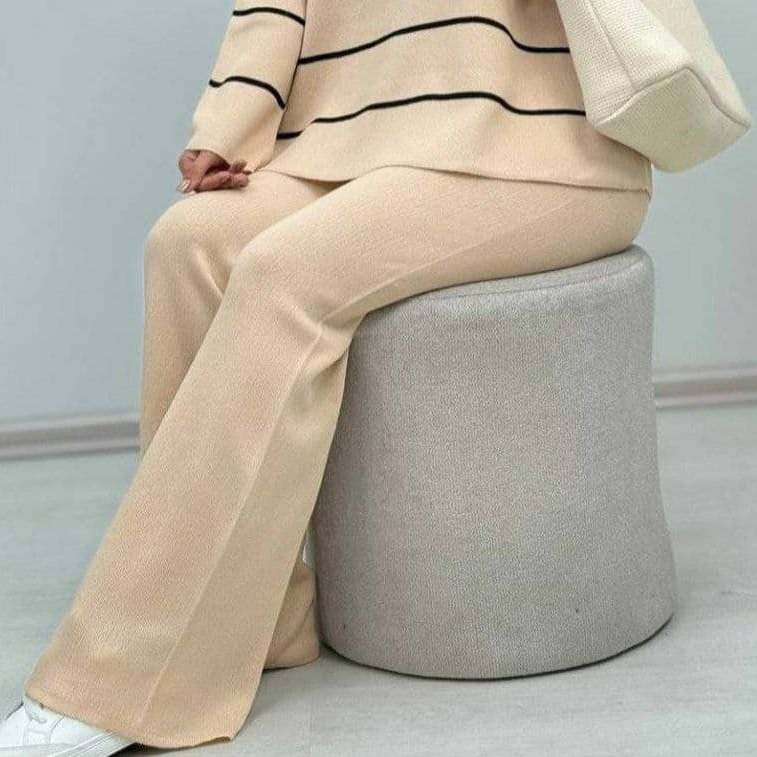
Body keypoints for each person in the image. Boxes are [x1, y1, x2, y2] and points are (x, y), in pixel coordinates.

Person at [1, 2, 652, 755]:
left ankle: (123, 672)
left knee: (285, 273)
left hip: (544, 149)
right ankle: (260, 618)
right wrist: (227, 128)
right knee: (186, 243)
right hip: (356, 145)